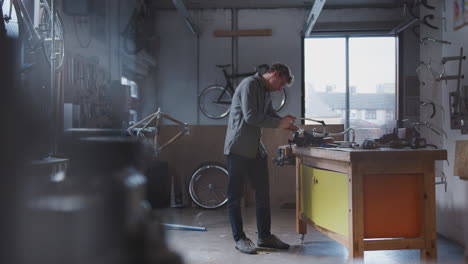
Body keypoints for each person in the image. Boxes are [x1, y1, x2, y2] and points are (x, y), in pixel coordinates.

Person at [223, 63, 297, 254]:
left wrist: (285, 122)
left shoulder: (265, 91)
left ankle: (264, 236)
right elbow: (250, 117)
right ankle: (239, 238)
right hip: (238, 148)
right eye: (280, 84)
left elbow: (269, 114)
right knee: (235, 197)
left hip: (255, 148)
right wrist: (279, 123)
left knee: (263, 193)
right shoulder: (249, 85)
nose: (280, 89)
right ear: (275, 74)